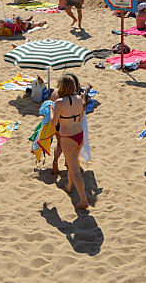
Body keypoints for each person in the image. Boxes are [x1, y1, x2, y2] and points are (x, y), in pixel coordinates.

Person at [48, 75, 89, 209]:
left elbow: (54, 123)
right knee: (72, 164)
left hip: (67, 137)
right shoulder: (79, 99)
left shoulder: (59, 102)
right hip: (79, 134)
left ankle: (83, 199)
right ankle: (69, 186)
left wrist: (51, 111)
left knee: (75, 169)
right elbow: (80, 116)